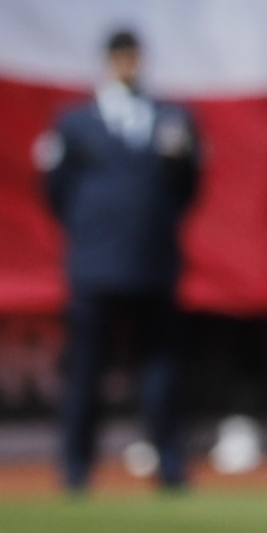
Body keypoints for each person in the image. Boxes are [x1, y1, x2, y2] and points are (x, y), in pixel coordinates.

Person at [38, 28, 199, 496]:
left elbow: (188, 187)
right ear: (108, 61)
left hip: (154, 262)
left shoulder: (172, 119)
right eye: (121, 56)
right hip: (94, 264)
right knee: (86, 371)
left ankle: (170, 466)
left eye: (135, 56)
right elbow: (55, 190)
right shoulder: (75, 123)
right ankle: (76, 469)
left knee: (160, 370)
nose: (129, 64)